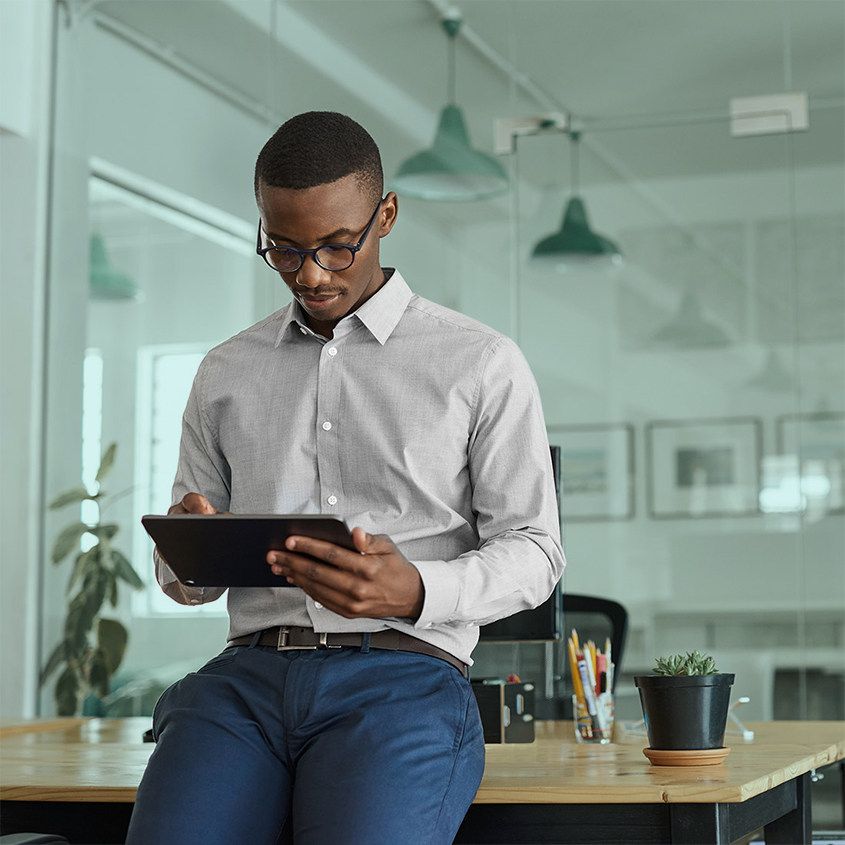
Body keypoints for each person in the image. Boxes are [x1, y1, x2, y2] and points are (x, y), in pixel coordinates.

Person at [126, 111, 564, 845]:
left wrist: (416, 588)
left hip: (403, 679)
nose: (312, 273)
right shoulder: (225, 371)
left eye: (336, 246)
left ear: (385, 214)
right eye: (285, 250)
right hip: (244, 681)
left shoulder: (478, 361)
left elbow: (536, 549)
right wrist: (185, 558)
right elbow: (187, 579)